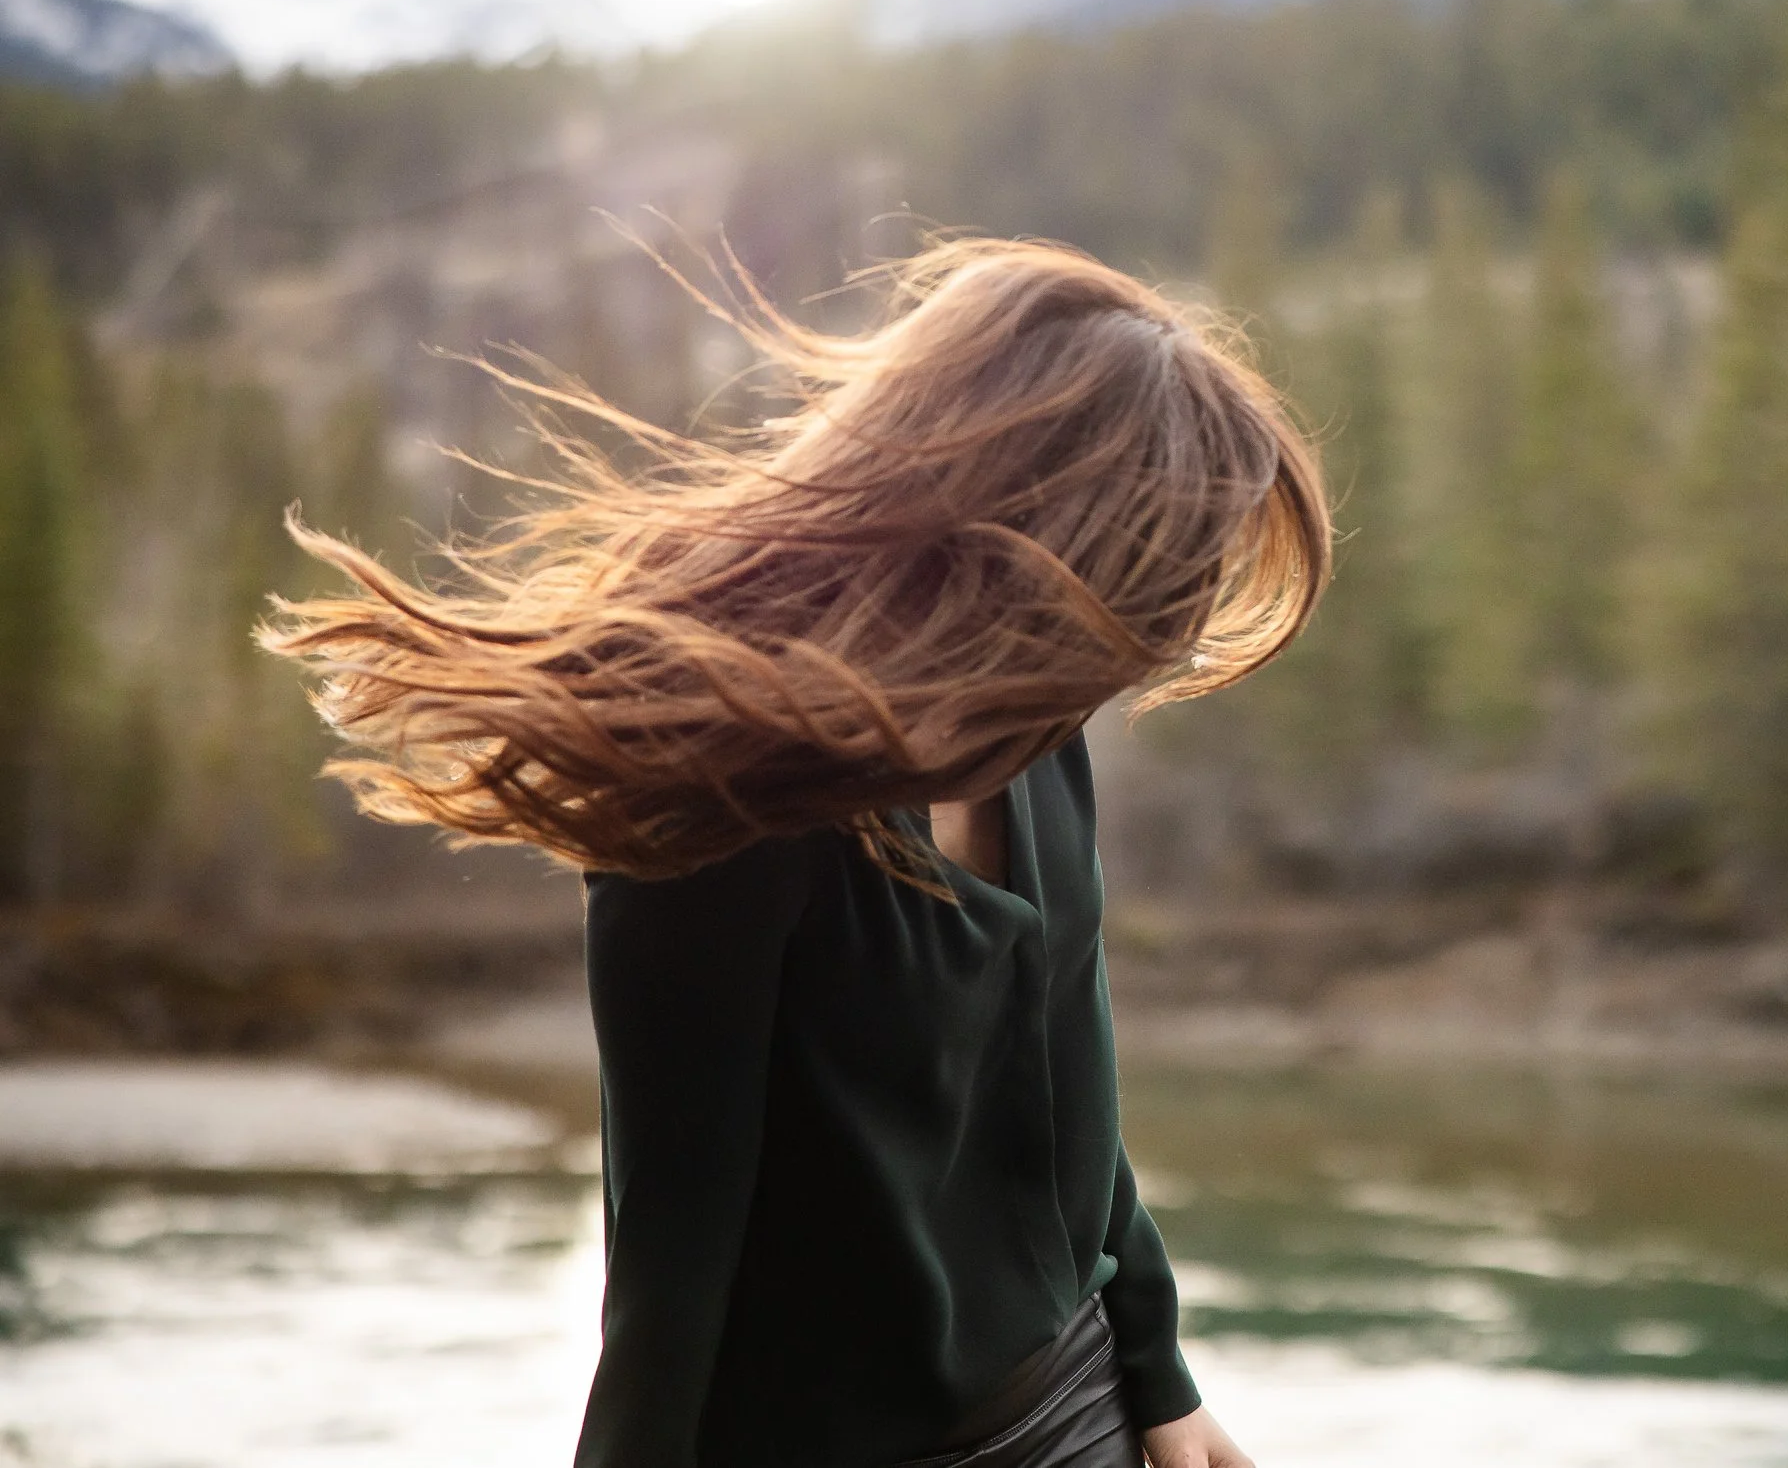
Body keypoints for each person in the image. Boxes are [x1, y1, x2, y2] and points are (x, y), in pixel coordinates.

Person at [260, 240, 1331, 1468]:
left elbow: (1070, 1078)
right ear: (1033, 538)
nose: (1159, 646)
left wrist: (1161, 1373)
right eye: (1153, 590)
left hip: (1072, 1400)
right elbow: (669, 1256)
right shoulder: (726, 800)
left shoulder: (1035, 724)